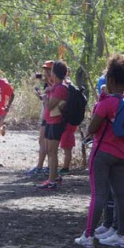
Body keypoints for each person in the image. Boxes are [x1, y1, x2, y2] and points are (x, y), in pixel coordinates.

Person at [75, 56, 124, 248]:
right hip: (123, 154)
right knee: (121, 194)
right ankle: (121, 235)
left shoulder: (107, 103)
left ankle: (88, 236)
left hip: (102, 153)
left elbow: (92, 128)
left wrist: (99, 104)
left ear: (111, 80)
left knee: (98, 194)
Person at [36, 61, 69, 190]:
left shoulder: (60, 88)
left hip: (56, 122)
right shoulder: (55, 87)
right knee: (50, 150)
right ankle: (54, 177)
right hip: (50, 121)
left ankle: (52, 180)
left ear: (55, 73)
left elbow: (50, 106)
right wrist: (47, 92)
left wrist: (45, 98)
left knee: (52, 151)